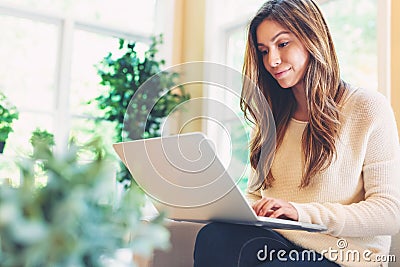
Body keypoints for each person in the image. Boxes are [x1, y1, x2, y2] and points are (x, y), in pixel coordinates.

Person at [193, 0, 400, 266]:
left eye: (282, 44)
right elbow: (257, 196)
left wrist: (301, 213)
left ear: (311, 38)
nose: (273, 61)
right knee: (213, 237)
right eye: (264, 51)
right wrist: (228, 205)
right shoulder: (271, 120)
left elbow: (389, 212)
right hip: (280, 242)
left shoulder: (367, 108)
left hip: (343, 255)